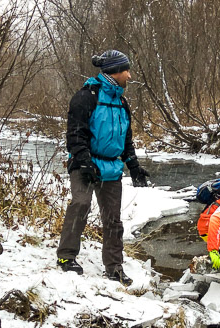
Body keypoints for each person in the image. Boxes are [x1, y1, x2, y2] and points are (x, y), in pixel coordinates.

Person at [56, 49, 150, 286]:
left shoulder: (121, 101)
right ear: (115, 71)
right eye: (126, 70)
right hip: (84, 163)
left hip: (111, 167)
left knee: (112, 218)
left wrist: (134, 166)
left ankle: (114, 267)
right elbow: (75, 134)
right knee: (81, 204)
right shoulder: (86, 97)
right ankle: (67, 257)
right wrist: (85, 162)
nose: (129, 75)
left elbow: (125, 138)